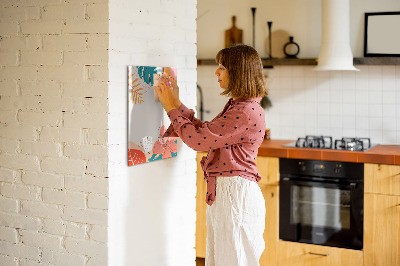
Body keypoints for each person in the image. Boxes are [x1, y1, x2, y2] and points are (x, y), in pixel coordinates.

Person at [155, 44, 267, 266]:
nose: (217, 73)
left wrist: (170, 108)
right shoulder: (240, 106)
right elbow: (206, 133)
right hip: (230, 195)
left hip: (235, 197)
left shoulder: (244, 111)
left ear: (238, 72)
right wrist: (176, 104)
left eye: (222, 67)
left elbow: (198, 141)